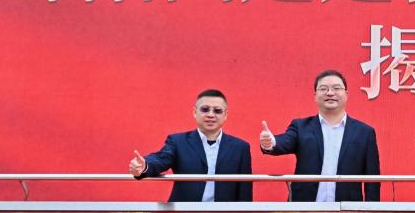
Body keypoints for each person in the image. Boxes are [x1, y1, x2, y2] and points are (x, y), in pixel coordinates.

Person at [259, 70, 380, 202]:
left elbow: (372, 180)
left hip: (347, 209)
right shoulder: (301, 127)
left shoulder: (364, 132)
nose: (330, 93)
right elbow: (284, 141)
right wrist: (271, 142)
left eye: (336, 88)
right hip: (305, 208)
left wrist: (372, 210)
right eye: (323, 89)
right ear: (315, 96)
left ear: (346, 94)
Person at [128, 89, 253, 202]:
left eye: (217, 110)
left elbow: (244, 189)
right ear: (194, 112)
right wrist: (145, 166)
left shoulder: (240, 147)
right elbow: (160, 159)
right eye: (205, 109)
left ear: (225, 115)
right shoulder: (178, 142)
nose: (211, 114)